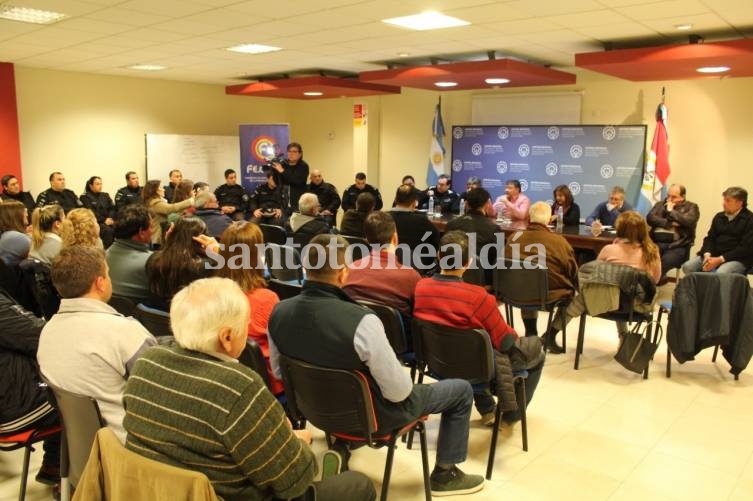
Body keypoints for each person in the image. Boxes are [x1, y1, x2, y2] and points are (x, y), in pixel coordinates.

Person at [268, 234, 485, 497]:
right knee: (460, 390)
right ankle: (445, 475)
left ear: (304, 268)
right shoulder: (362, 321)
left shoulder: (278, 312)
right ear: (342, 273)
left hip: (314, 411)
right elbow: (399, 393)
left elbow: (281, 372)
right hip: (370, 419)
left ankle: (341, 447)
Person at [123, 277, 376, 501]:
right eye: (245, 324)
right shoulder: (239, 388)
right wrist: (298, 443)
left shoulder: (146, 363)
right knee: (358, 485)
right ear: (227, 337)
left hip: (156, 493)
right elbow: (293, 481)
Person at [413, 231, 544, 428]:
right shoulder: (479, 297)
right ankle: (511, 416)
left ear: (439, 256)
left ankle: (487, 409)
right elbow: (505, 342)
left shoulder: (420, 287)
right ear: (469, 263)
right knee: (537, 353)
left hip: (436, 362)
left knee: (471, 346)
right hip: (475, 368)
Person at [37, 246, 156, 443]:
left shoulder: (47, 333)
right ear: (100, 283)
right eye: (108, 274)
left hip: (83, 450)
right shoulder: (125, 333)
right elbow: (160, 394)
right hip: (130, 449)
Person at [545, 211, 661, 340]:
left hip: (608, 303)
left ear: (620, 229)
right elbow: (655, 280)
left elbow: (596, 277)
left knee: (595, 292)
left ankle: (550, 334)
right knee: (621, 289)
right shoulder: (652, 252)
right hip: (637, 305)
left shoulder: (609, 250)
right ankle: (624, 337)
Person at [0, 286, 61, 488]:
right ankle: (77, 480)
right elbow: (43, 337)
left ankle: (55, 464)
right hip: (14, 406)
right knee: (84, 392)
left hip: (13, 393)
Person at [214, 221, 283, 394]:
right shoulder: (268, 299)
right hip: (263, 388)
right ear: (257, 255)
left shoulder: (210, 294)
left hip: (223, 382)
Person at [504, 202, 578, 354]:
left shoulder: (513, 237)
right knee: (576, 296)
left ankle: (531, 333)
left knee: (526, 281)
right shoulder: (559, 242)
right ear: (550, 220)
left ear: (529, 218)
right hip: (548, 295)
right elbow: (572, 271)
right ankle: (551, 335)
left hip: (515, 292)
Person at [343, 211, 421, 319]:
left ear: (367, 240)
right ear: (395, 238)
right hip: (393, 336)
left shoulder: (349, 271)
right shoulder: (412, 278)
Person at [144, 217, 214, 311]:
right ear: (202, 239)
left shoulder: (153, 259)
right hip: (190, 319)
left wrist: (168, 243)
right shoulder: (206, 266)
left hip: (157, 319)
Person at [681, 186, 753, 275]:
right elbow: (710, 238)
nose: (724, 204)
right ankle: (701, 289)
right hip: (714, 255)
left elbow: (745, 248)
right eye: (724, 200)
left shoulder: (750, 219)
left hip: (737, 259)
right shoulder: (719, 217)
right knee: (688, 267)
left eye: (728, 201)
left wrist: (720, 259)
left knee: (721, 273)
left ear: (739, 203)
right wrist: (707, 254)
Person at [646, 184, 700, 282]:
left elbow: (688, 221)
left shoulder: (692, 207)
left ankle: (651, 285)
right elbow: (650, 218)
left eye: (674, 197)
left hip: (677, 245)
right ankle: (656, 282)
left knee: (663, 263)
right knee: (644, 260)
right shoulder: (660, 204)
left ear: (683, 197)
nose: (669, 199)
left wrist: (671, 211)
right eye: (668, 195)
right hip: (655, 243)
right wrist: (669, 224)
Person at [106, 204, 153, 304]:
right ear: (141, 232)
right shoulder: (151, 263)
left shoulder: (102, 257)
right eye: (151, 227)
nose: (152, 231)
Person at [389, 184, 439, 273]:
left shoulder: (385, 218)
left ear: (395, 200)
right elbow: (436, 242)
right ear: (414, 203)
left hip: (389, 266)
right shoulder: (422, 221)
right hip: (418, 269)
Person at [141, 179, 196, 245]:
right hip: (157, 236)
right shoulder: (155, 203)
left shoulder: (156, 201)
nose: (164, 189)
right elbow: (171, 208)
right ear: (155, 190)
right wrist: (190, 201)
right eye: (161, 188)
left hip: (160, 234)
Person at [271, 142, 309, 214]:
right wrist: (275, 170)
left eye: (294, 151)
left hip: (297, 203)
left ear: (300, 154)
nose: (291, 154)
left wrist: (282, 171)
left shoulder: (303, 166)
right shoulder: (284, 164)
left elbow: (297, 180)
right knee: (282, 223)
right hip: (283, 201)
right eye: (289, 151)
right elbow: (277, 182)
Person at [80, 176, 115, 248]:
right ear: (91, 186)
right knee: (108, 231)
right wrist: (104, 220)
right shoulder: (85, 197)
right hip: (97, 222)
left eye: (101, 184)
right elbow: (91, 212)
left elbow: (112, 208)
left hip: (109, 220)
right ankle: (107, 253)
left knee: (121, 227)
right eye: (97, 184)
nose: (100, 186)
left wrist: (110, 218)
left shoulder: (105, 195)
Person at [0, 200, 31, 266]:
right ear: (15, 215)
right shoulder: (16, 237)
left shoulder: (8, 234)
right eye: (23, 211)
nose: (27, 214)